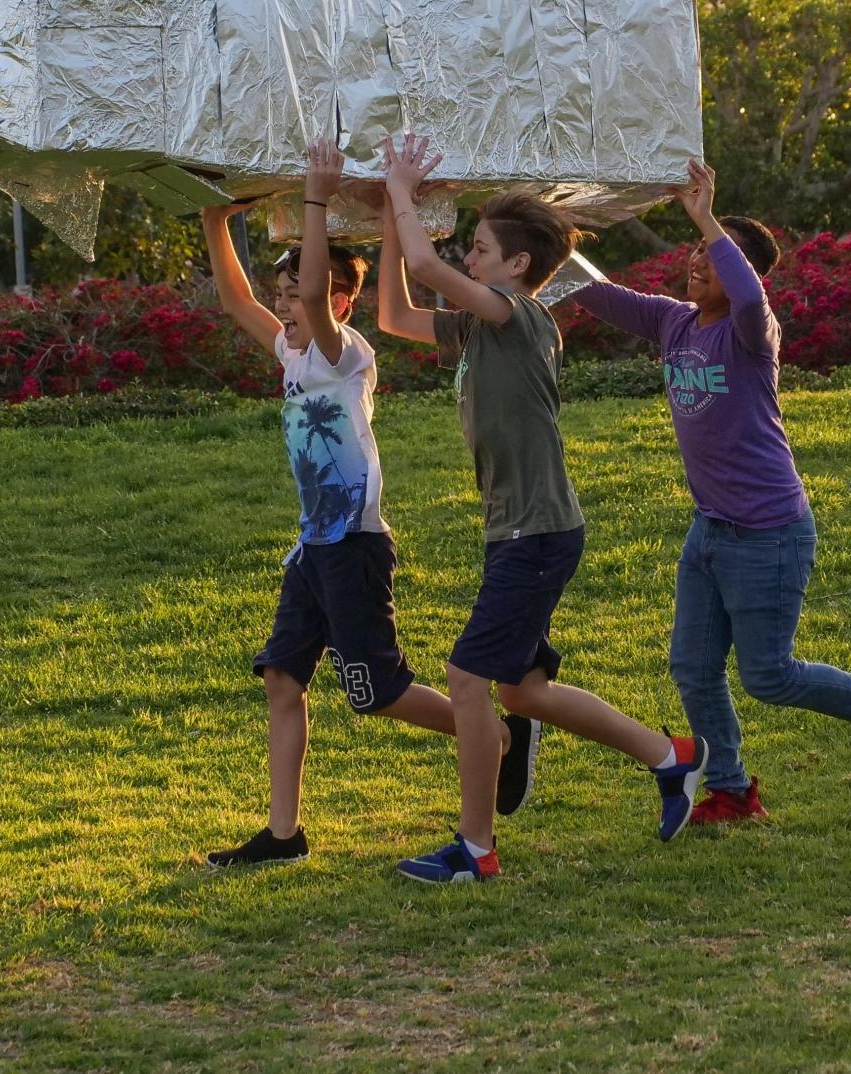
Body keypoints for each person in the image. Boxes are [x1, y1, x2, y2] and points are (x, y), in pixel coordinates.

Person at [374, 131, 706, 884]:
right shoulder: (482, 324)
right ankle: (673, 757)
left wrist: (399, 187)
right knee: (524, 690)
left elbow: (428, 265)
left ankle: (476, 851)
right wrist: (391, 219)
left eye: (482, 248)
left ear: (518, 266)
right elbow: (396, 311)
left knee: (465, 678)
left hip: (537, 533)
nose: (470, 258)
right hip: (522, 531)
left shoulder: (518, 318)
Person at [569, 158, 851, 826]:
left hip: (768, 533)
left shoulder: (750, 331)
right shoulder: (673, 323)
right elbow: (591, 292)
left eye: (714, 254)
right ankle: (733, 791)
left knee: (769, 676)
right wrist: (548, 228)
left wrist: (707, 218)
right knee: (693, 667)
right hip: (709, 530)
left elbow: (745, 297)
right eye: (695, 253)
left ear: (744, 268)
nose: (697, 262)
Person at [195, 134, 459, 868]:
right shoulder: (288, 351)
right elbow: (233, 298)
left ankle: (488, 735)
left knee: (375, 690)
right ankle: (284, 835)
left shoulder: (344, 355)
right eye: (280, 296)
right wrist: (216, 219)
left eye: (297, 295)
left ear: (341, 301)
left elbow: (313, 294)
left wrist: (317, 191)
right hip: (314, 546)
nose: (285, 305)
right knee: (283, 676)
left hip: (355, 543)